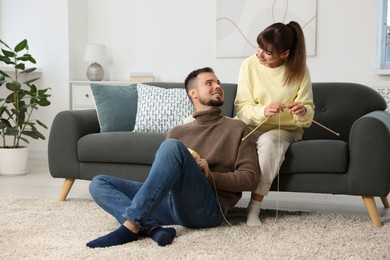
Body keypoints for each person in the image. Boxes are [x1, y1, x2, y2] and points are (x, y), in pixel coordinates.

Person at [86, 67, 260, 248]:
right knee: (98, 183)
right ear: (193, 93)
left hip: (207, 210)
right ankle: (152, 229)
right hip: (170, 204)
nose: (217, 86)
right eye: (209, 83)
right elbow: (163, 178)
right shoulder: (178, 131)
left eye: (218, 83)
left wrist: (210, 176)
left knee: (172, 146)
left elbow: (251, 179)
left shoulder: (237, 128)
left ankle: (131, 226)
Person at [234, 21, 315, 226]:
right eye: (259, 47)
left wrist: (302, 111)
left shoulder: (299, 70)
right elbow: (242, 109)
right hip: (252, 125)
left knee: (270, 140)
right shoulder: (249, 65)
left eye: (267, 52)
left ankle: (254, 209)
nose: (259, 54)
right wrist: (263, 111)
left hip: (285, 130)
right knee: (225, 133)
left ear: (285, 54)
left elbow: (306, 117)